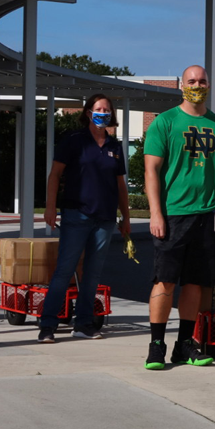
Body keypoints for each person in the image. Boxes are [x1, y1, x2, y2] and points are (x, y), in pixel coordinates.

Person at [143, 65, 215, 370]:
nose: (197, 85)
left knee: (196, 283)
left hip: (208, 215)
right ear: (181, 85)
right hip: (174, 215)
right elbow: (151, 171)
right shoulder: (165, 122)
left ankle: (185, 345)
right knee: (165, 281)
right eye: (192, 81)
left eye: (202, 81)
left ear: (209, 85)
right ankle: (156, 345)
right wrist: (156, 213)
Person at [38, 94, 130, 343]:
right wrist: (50, 207)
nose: (103, 113)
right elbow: (55, 174)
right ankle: (48, 325)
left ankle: (84, 323)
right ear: (88, 112)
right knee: (64, 270)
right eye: (99, 108)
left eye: (107, 109)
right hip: (76, 214)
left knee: (93, 273)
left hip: (105, 219)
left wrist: (126, 217)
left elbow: (121, 186)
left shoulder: (114, 146)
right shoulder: (73, 140)